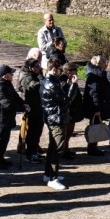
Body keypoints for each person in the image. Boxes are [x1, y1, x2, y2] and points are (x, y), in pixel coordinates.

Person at [39, 61, 69, 190]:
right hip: (56, 119)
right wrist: (72, 86)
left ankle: (48, 174)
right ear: (54, 69)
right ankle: (52, 178)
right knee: (57, 147)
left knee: (53, 146)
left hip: (53, 117)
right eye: (60, 69)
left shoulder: (50, 81)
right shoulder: (51, 83)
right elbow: (65, 100)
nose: (61, 71)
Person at [0, 64, 26, 167]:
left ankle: (1, 158)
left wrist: (23, 103)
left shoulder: (6, 83)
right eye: (11, 73)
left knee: (4, 140)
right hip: (1, 118)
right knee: (0, 141)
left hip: (7, 118)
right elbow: (8, 104)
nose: (13, 75)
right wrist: (22, 108)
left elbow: (15, 96)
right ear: (5, 76)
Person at [82, 56, 110, 157]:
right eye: (103, 61)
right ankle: (92, 149)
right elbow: (93, 93)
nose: (105, 62)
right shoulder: (94, 76)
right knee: (95, 127)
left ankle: (93, 147)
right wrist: (96, 109)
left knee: (96, 125)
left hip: (98, 105)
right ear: (98, 64)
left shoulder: (99, 74)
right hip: (94, 107)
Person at [16, 58, 44, 161]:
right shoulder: (25, 75)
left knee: (38, 129)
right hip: (31, 106)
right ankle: (30, 153)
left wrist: (40, 76)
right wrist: (42, 81)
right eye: (37, 67)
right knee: (32, 131)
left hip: (38, 105)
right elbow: (33, 86)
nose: (39, 68)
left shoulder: (36, 73)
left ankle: (35, 150)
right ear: (31, 68)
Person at [60, 62, 83, 158]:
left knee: (69, 131)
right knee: (66, 132)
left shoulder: (70, 79)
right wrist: (74, 84)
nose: (77, 72)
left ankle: (66, 149)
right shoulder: (63, 81)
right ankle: (63, 151)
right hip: (67, 111)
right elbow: (68, 98)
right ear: (69, 72)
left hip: (72, 110)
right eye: (75, 70)